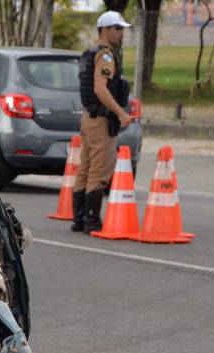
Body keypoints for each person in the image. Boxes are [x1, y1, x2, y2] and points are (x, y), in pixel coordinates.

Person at [72, 11, 132, 233]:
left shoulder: (89, 52)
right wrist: (121, 113)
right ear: (104, 30)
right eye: (116, 29)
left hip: (89, 117)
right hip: (101, 120)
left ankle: (79, 218)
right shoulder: (105, 55)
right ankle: (91, 220)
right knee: (99, 169)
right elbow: (100, 88)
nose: (120, 33)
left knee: (85, 168)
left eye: (121, 29)